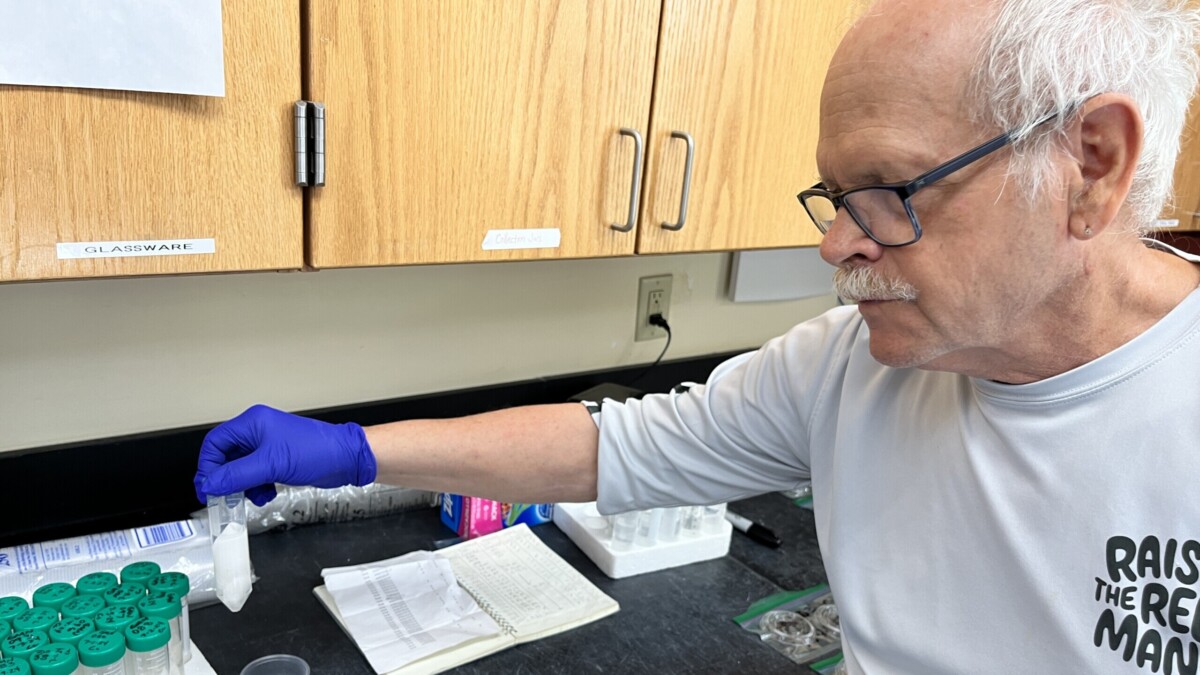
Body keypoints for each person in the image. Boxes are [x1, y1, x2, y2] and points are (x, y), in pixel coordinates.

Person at [194, 0, 1200, 672]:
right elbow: (611, 448)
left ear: (1092, 164)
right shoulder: (851, 369)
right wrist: (354, 451)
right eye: (836, 196)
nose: (837, 245)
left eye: (889, 190)